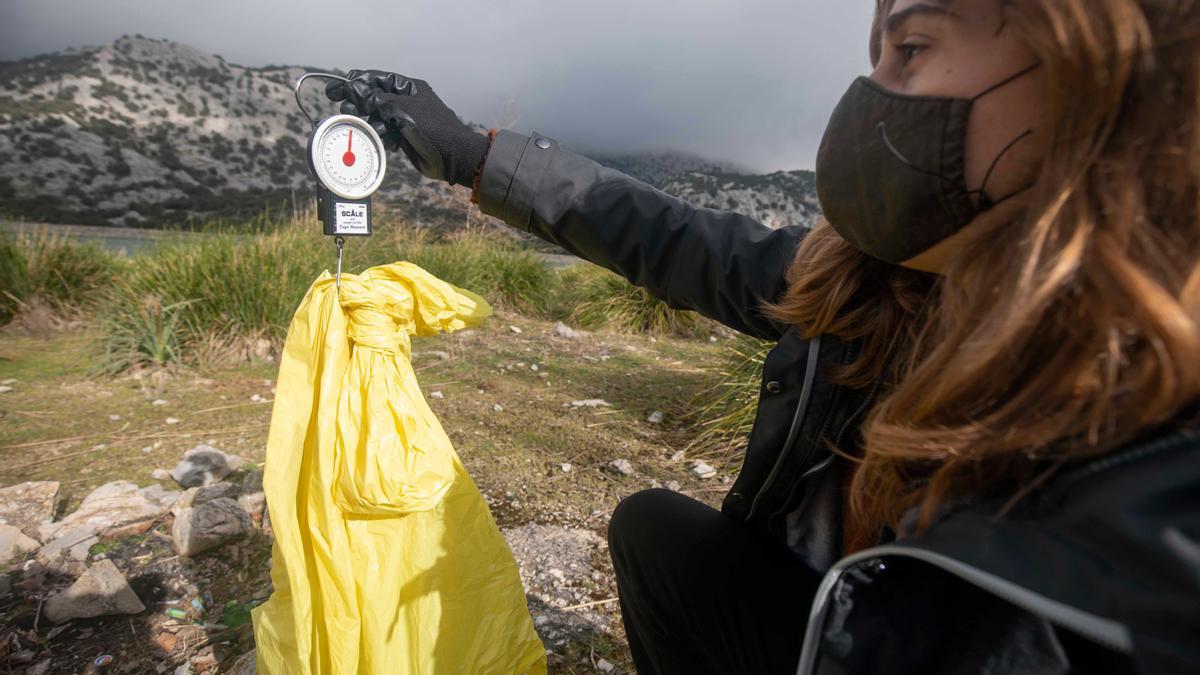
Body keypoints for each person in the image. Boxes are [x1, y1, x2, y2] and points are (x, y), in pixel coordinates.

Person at [325, 0, 1200, 672]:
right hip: (839, 630)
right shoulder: (868, 281)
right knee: (656, 534)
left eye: (913, 47)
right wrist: (475, 157)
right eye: (874, 57)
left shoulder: (1165, 454)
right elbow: (667, 237)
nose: (868, 100)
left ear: (1098, 71)